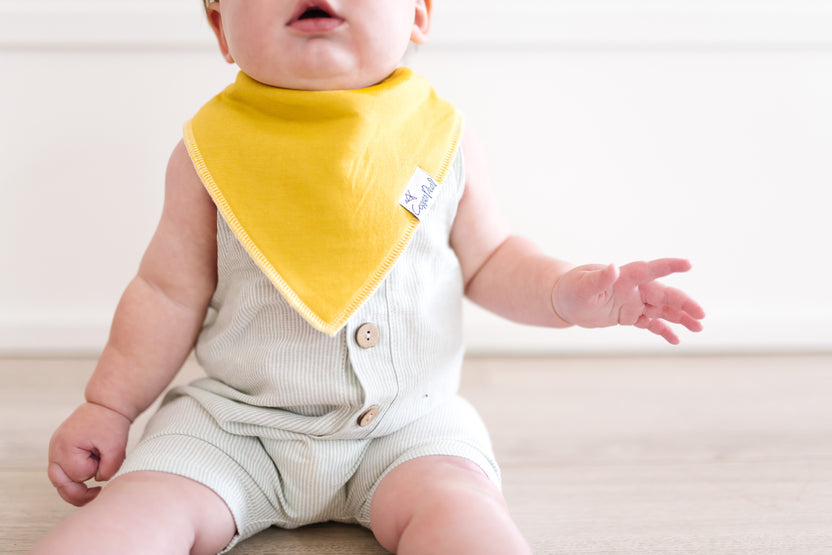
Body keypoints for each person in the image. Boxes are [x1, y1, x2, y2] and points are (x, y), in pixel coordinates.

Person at [31, 0, 705, 553]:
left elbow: (493, 258)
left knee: (460, 510)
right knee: (137, 513)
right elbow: (166, 292)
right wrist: (110, 404)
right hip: (236, 426)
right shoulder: (208, 153)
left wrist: (571, 290)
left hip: (408, 428)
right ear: (220, 26)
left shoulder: (442, 139)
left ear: (418, 13)